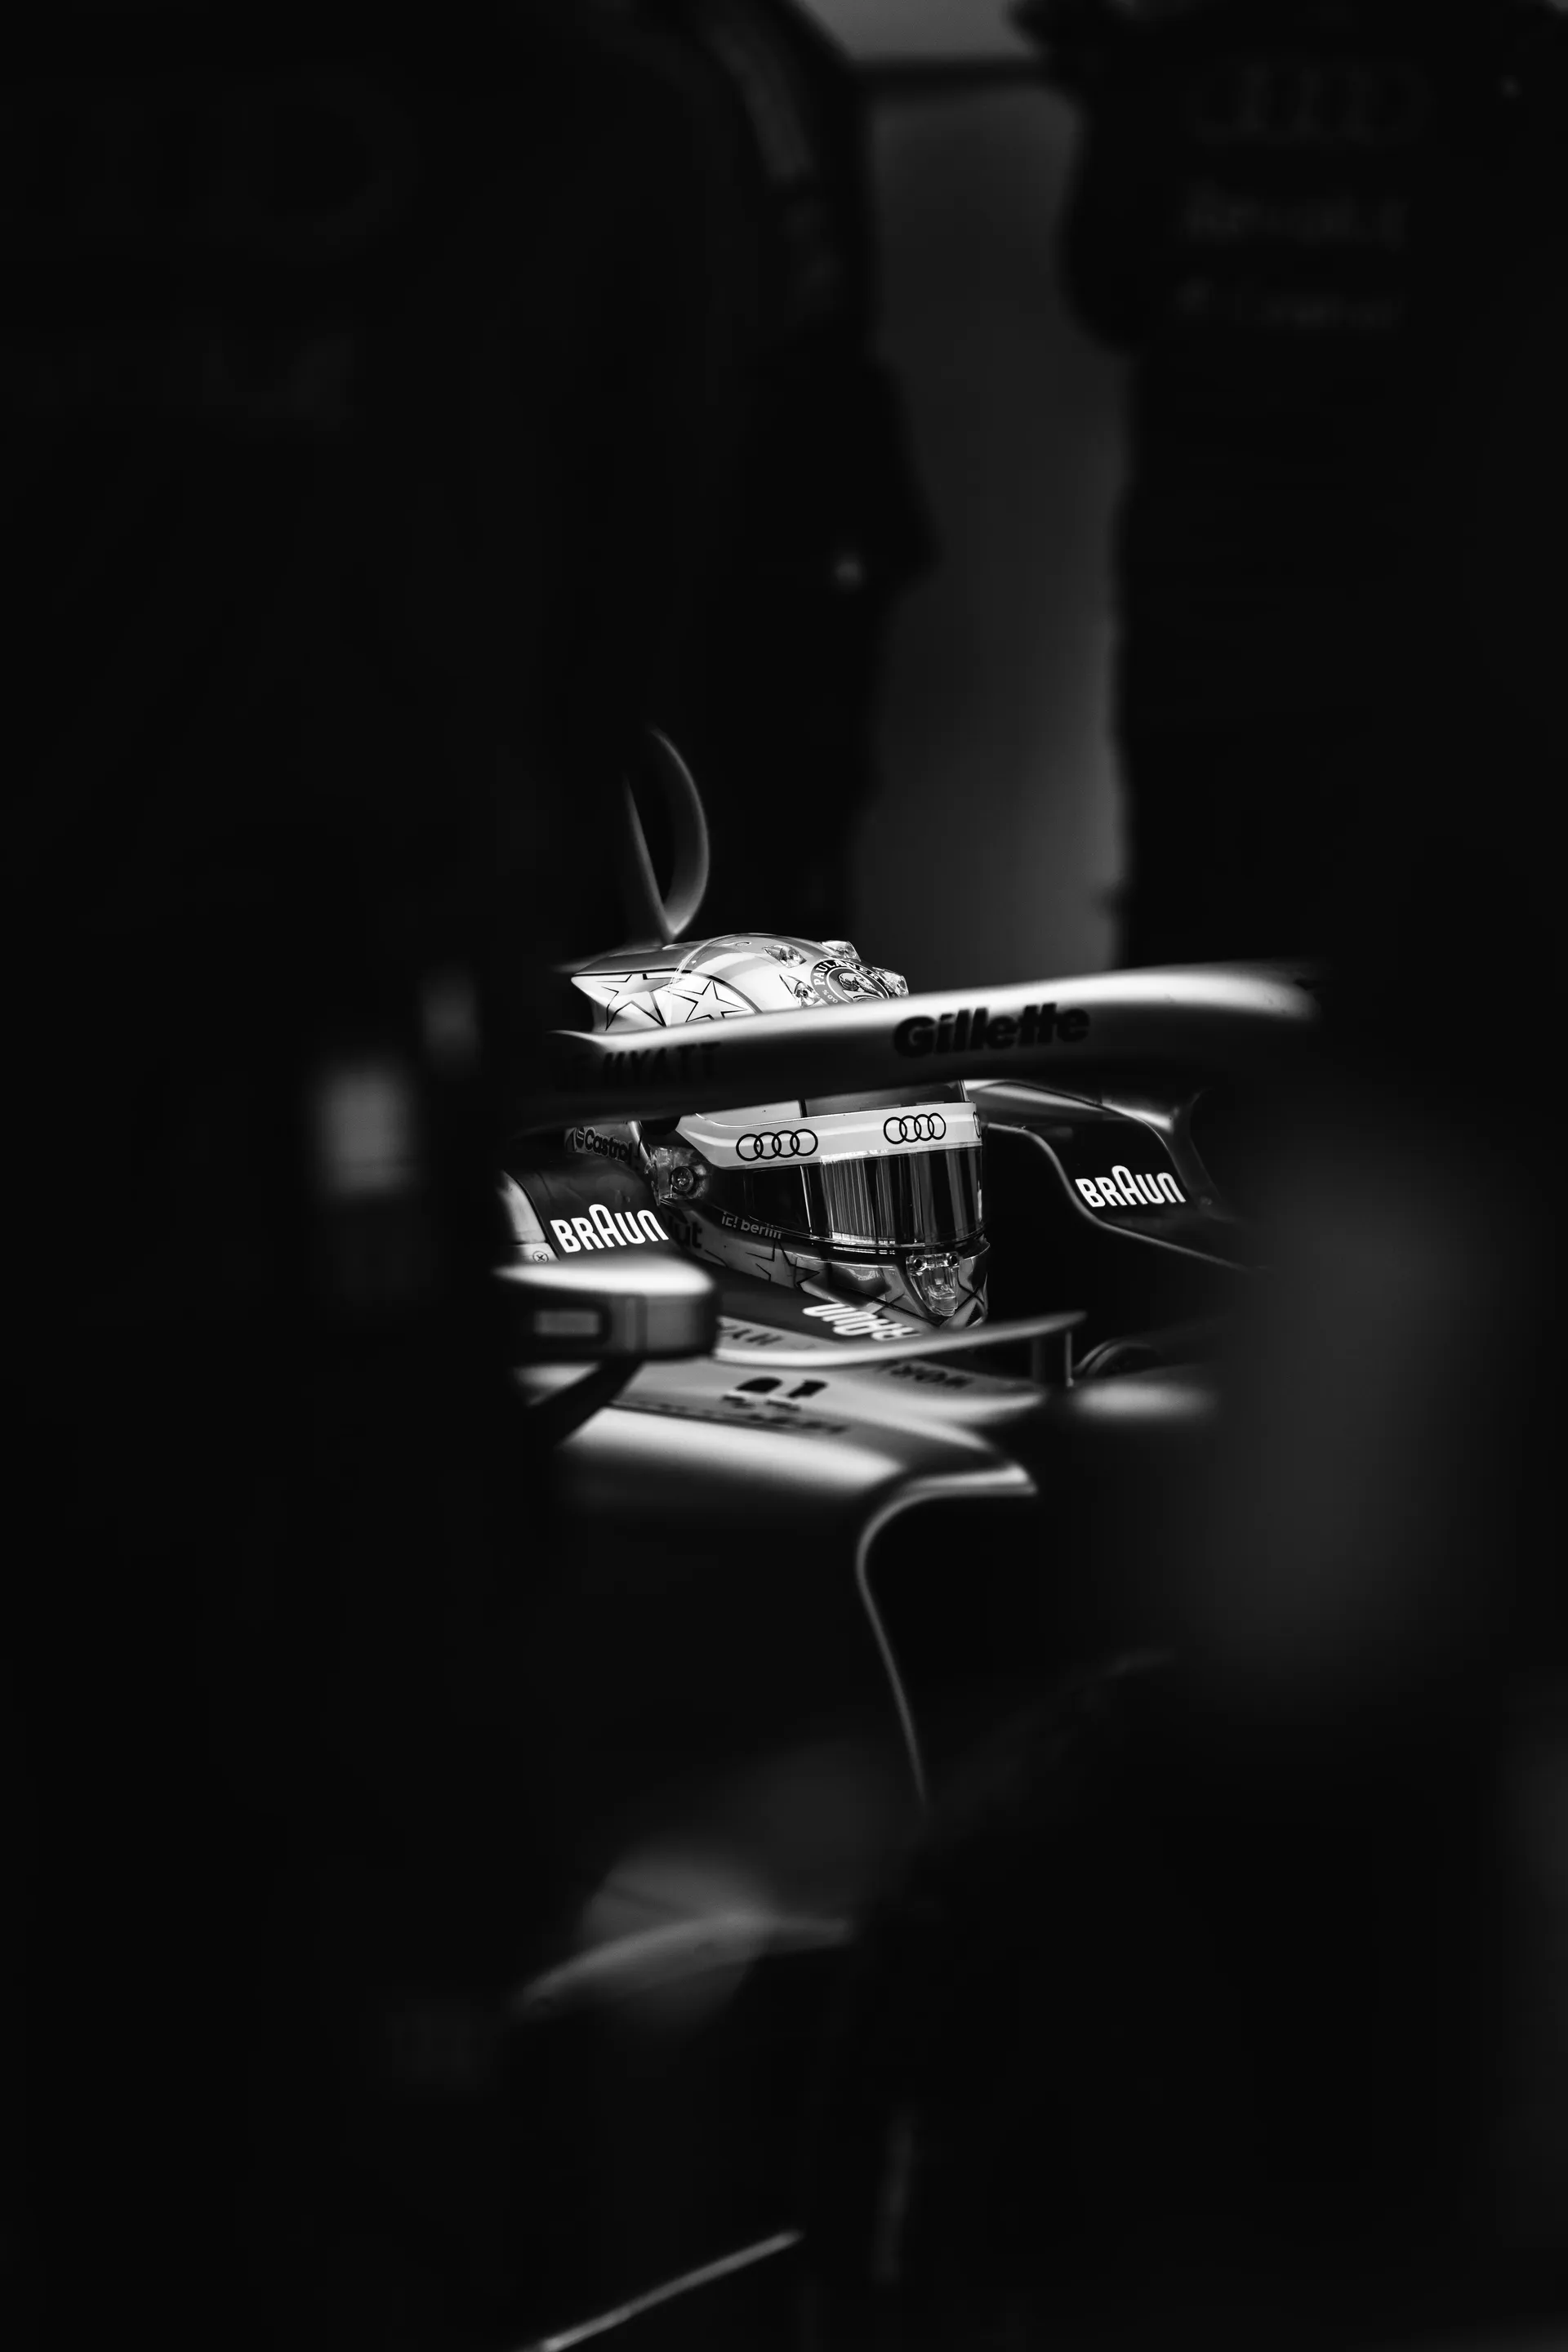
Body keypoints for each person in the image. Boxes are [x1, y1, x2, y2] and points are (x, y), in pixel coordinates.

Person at [1017, 0, 1523, 967]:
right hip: (1408, 580)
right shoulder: (1478, 50)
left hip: (1214, 575)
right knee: (1382, 949)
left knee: (1195, 933)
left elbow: (1108, 285)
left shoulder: (1179, 43)